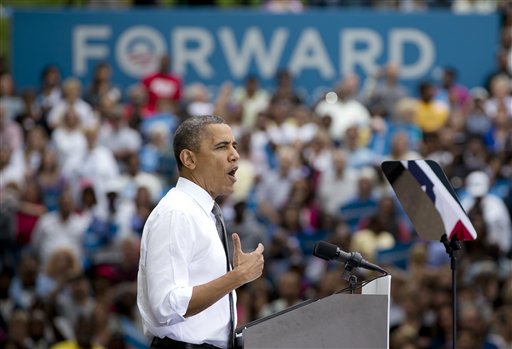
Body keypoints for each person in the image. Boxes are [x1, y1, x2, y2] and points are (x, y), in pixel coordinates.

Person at [137, 115, 265, 349]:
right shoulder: (177, 213)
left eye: (234, 145)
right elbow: (166, 306)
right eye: (221, 146)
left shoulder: (204, 212)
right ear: (189, 159)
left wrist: (235, 276)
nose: (235, 154)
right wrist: (237, 277)